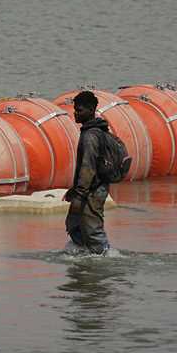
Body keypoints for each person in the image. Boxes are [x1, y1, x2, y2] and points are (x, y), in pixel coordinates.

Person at [63, 90, 111, 254]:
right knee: (74, 224)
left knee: (93, 230)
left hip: (93, 190)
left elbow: (88, 168)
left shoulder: (91, 136)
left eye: (80, 110)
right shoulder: (91, 131)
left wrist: (80, 195)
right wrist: (74, 190)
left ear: (91, 110)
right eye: (75, 109)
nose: (76, 113)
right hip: (89, 188)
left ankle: (103, 257)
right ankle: (85, 255)